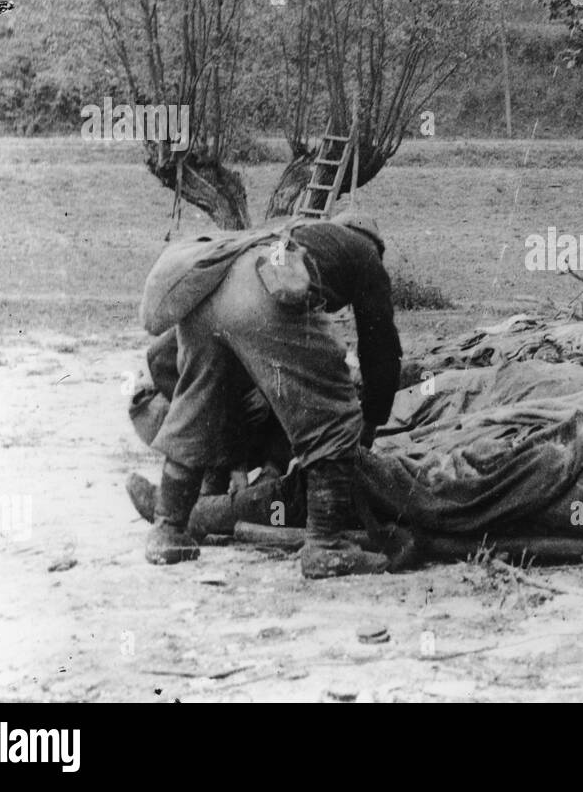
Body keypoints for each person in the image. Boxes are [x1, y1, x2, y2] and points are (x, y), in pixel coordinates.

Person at [144, 213, 401, 579]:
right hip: (263, 292)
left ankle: (167, 530)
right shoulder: (365, 253)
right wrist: (372, 417)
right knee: (334, 411)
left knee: (197, 410)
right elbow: (381, 348)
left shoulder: (299, 233)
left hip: (210, 295)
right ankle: (326, 547)